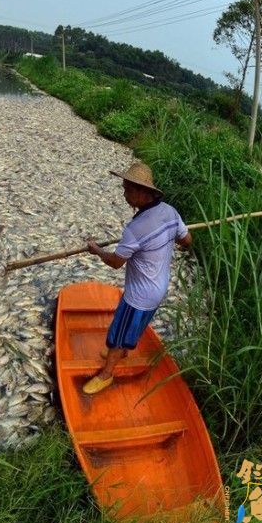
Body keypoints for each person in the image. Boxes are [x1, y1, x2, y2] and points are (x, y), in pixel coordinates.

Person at [83, 161, 192, 395]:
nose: (124, 194)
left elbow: (115, 262)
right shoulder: (170, 212)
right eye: (124, 188)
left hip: (138, 295)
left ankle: (106, 374)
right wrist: (169, 237)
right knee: (137, 326)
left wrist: (96, 250)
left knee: (117, 333)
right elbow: (187, 240)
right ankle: (123, 351)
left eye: (128, 190)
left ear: (144, 192)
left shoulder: (136, 228)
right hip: (160, 288)